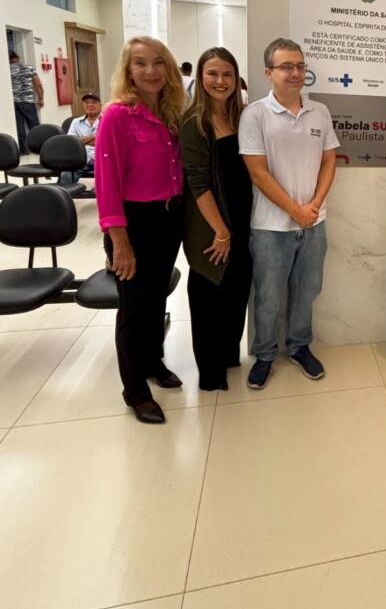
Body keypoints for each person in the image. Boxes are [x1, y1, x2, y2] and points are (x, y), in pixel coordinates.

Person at [95, 36, 187, 424]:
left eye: (158, 62)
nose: (150, 70)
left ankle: (153, 363)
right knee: (133, 307)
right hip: (133, 222)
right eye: (140, 63)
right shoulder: (117, 115)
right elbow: (106, 182)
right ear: (128, 70)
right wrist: (119, 240)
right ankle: (134, 390)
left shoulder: (171, 113)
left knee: (155, 298)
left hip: (169, 218)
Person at [239, 37, 339, 390]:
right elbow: (257, 173)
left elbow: (329, 160)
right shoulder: (254, 115)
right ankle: (264, 355)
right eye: (286, 67)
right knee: (268, 296)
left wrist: (314, 205)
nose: (295, 73)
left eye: (300, 66)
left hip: (314, 222)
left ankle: (299, 347)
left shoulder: (320, 112)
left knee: (307, 290)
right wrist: (295, 210)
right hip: (270, 227)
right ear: (269, 72)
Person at [180, 48, 253, 391]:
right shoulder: (194, 123)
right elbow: (198, 183)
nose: (220, 81)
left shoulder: (242, 117)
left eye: (227, 74)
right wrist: (221, 232)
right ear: (200, 77)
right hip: (211, 223)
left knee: (236, 290)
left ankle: (227, 356)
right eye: (212, 73)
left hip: (243, 218)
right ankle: (210, 372)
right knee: (209, 291)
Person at [61, 91, 101, 186]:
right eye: (86, 102)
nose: (90, 105)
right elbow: (71, 142)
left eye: (93, 102)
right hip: (81, 156)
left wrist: (81, 140)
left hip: (102, 155)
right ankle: (65, 194)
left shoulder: (107, 120)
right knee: (66, 173)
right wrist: (94, 136)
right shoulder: (76, 122)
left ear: (100, 105)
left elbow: (108, 142)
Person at [9, 50, 44, 153]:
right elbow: (38, 85)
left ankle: (23, 149)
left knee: (19, 126)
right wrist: (41, 99)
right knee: (34, 125)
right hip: (28, 101)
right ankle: (40, 147)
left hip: (14, 102)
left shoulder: (7, 70)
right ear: (17, 57)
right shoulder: (29, 68)